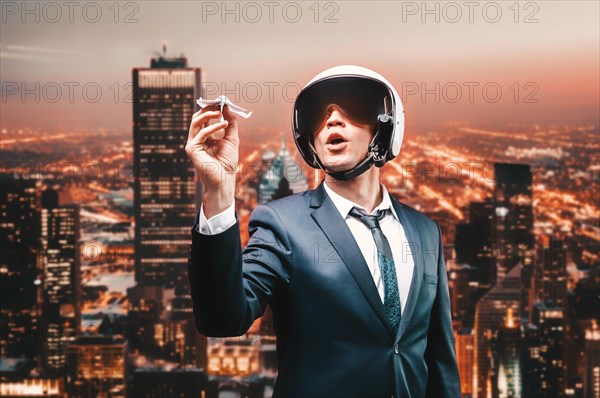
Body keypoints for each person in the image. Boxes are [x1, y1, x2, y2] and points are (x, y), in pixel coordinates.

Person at [185, 65, 461, 398]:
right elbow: (222, 319)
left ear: (386, 128)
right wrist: (219, 191)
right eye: (320, 114)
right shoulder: (282, 223)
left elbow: (439, 356)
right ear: (310, 139)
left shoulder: (425, 231)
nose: (332, 120)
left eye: (355, 108)